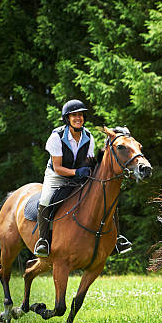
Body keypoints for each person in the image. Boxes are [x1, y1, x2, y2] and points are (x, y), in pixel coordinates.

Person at [34, 99, 132, 257]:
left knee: (105, 197)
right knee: (45, 200)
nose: (78, 118)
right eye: (74, 115)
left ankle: (117, 239)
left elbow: (87, 160)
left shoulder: (88, 136)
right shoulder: (56, 137)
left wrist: (89, 171)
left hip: (78, 174)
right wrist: (76, 173)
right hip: (56, 176)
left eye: (80, 115)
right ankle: (43, 241)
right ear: (67, 118)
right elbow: (58, 167)